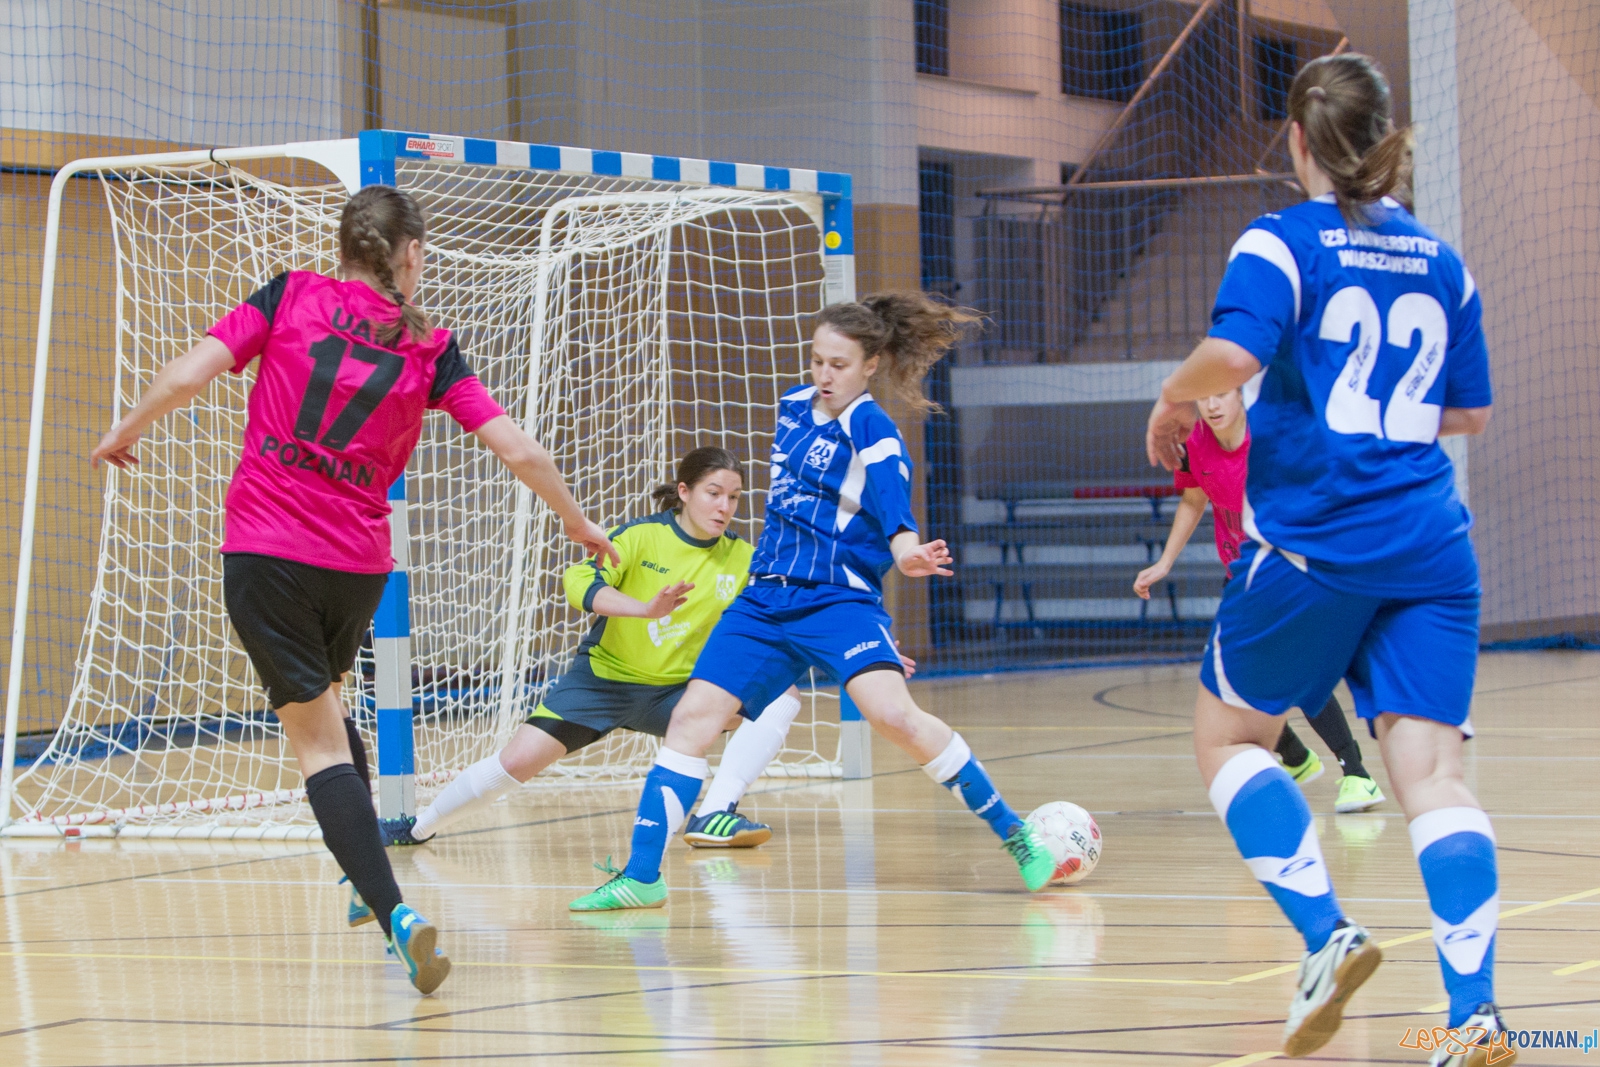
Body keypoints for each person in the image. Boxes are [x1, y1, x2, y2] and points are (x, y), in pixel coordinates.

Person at [90, 184, 617, 996]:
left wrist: (127, 427)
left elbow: (191, 373)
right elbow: (519, 451)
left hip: (266, 555)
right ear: (408, 256)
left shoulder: (290, 293)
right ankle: (361, 869)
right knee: (332, 708)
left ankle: (392, 908)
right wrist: (579, 524)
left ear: (347, 246)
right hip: (358, 569)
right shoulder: (431, 347)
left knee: (317, 745)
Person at [1144, 55, 1509, 1065]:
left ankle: (1326, 934)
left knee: (1229, 740)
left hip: (1316, 543)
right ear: (1385, 136)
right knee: (1433, 776)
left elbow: (1231, 355)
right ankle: (1472, 1015)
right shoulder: (1441, 258)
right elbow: (1469, 409)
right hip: (1433, 546)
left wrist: (1174, 398)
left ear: (1296, 141)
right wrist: (1378, 406)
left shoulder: (1280, 238)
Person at [569, 291, 1060, 914]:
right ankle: (642, 877)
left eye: (839, 364)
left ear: (871, 365)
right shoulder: (794, 407)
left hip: (837, 603)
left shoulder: (873, 430)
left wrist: (907, 551)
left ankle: (1018, 838)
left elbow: (895, 510)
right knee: (693, 720)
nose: (824, 375)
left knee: (895, 719)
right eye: (817, 360)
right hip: (766, 600)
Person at [397, 446, 815, 848]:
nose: (725, 507)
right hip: (603, 683)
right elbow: (578, 584)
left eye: (734, 498)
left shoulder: (744, 558)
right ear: (684, 493)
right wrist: (644, 610)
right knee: (515, 762)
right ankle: (418, 828)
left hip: (678, 695)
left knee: (782, 690)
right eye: (714, 493)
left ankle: (716, 813)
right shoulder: (641, 536)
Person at [1134, 388, 1385, 813]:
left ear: (1243, 396)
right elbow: (1195, 497)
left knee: (1301, 673)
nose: (1212, 405)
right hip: (1241, 576)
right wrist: (1164, 562)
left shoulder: (1273, 442)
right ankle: (1296, 759)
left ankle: (1358, 775)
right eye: (1204, 397)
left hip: (1289, 574)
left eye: (1222, 395)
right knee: (1234, 675)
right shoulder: (1195, 444)